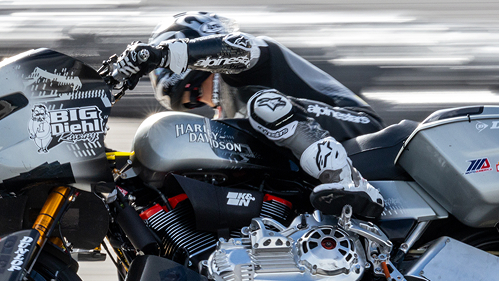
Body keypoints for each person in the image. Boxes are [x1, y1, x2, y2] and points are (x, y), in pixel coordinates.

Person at [101, 11, 385, 219]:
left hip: (354, 124)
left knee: (264, 105)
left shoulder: (253, 55)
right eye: (193, 101)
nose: (199, 101)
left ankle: (347, 181)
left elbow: (236, 48)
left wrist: (158, 54)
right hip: (300, 156)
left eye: (197, 93)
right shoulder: (225, 113)